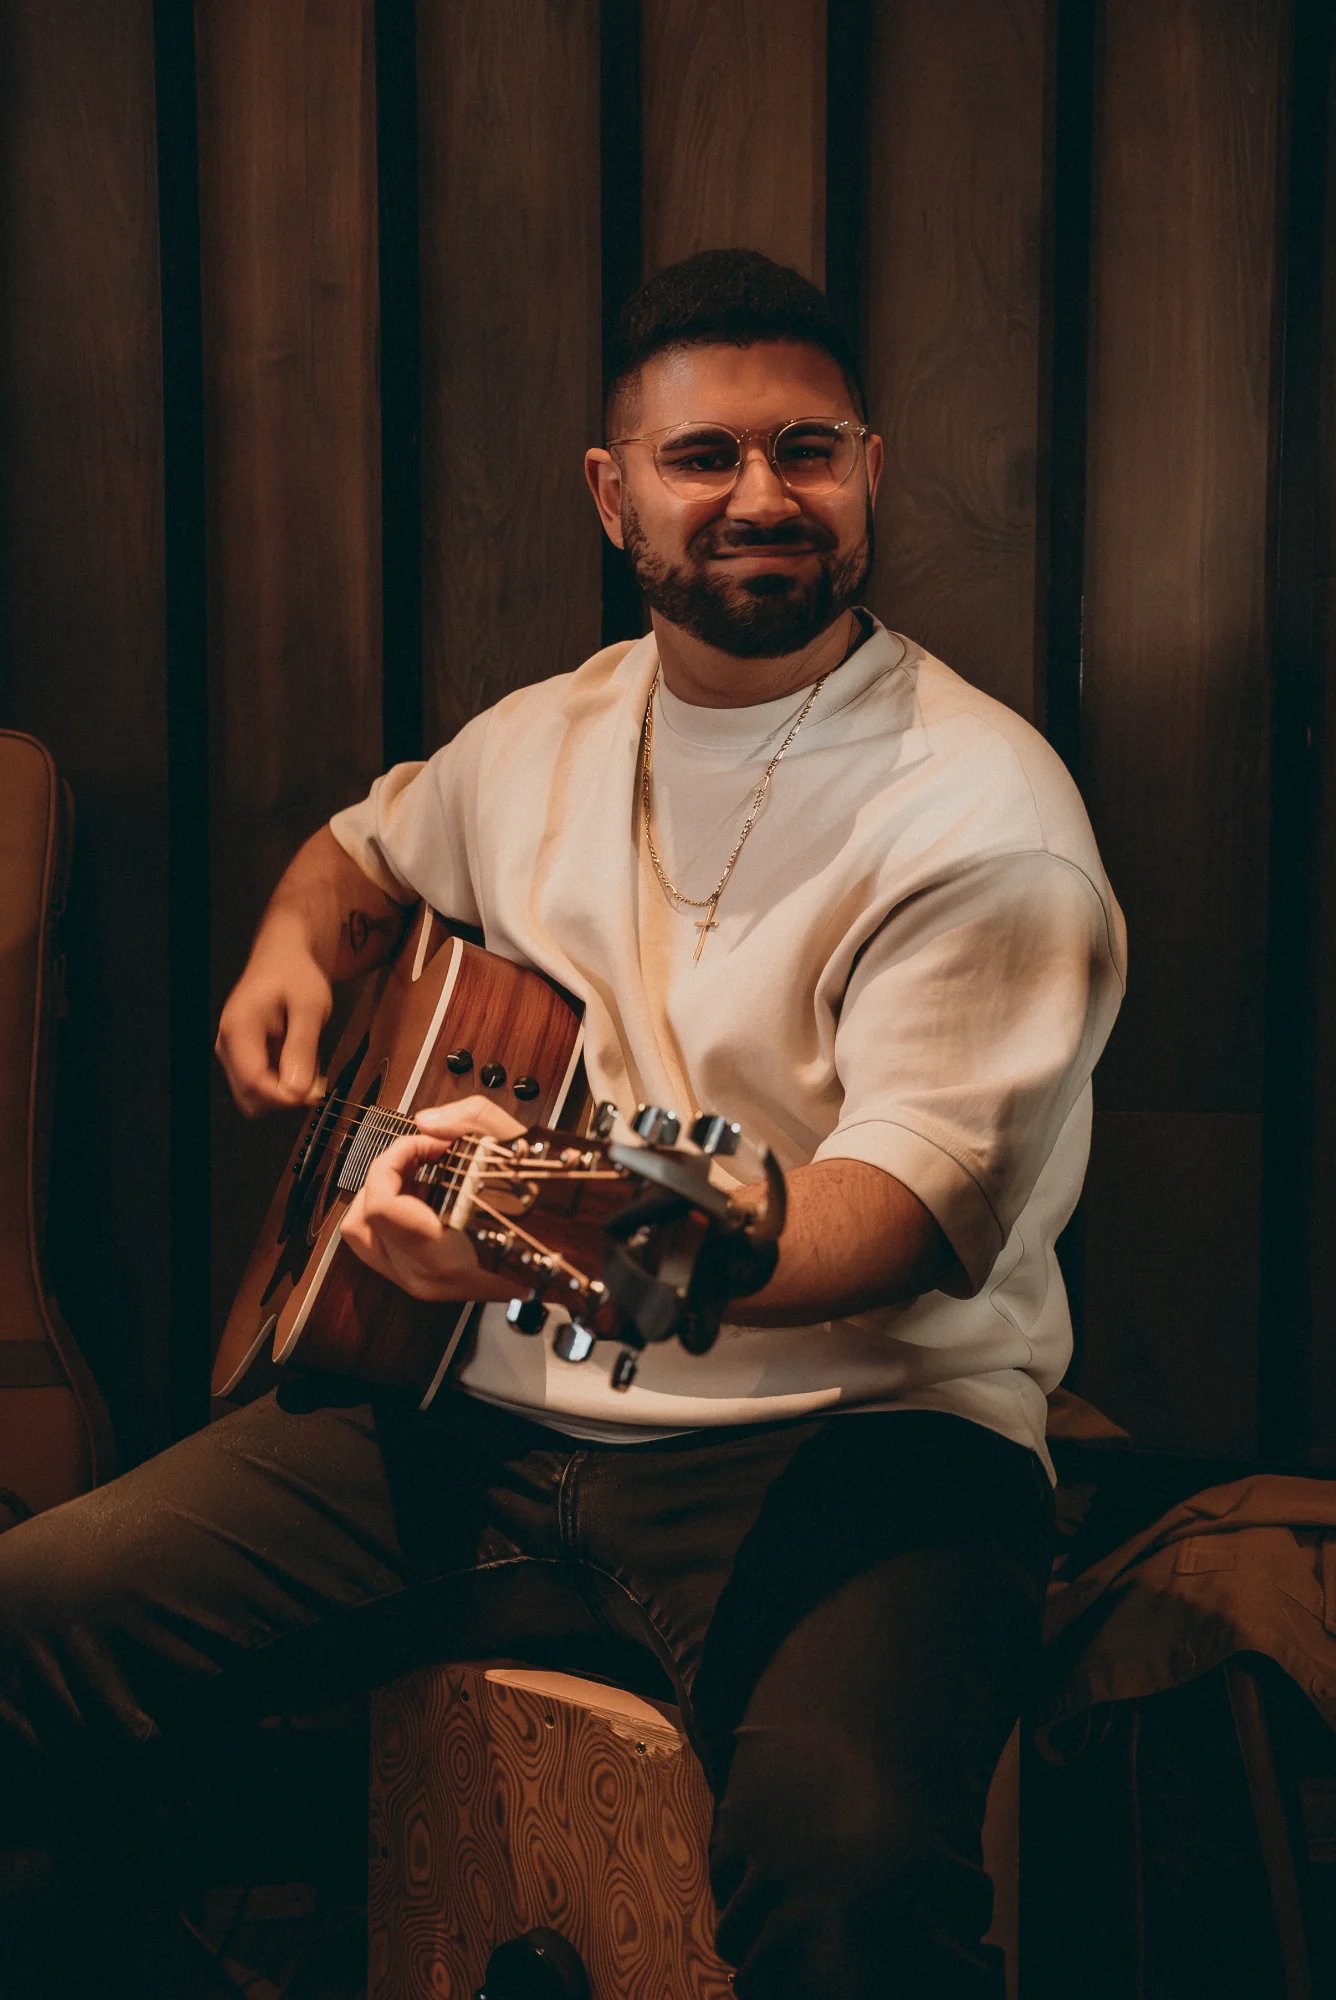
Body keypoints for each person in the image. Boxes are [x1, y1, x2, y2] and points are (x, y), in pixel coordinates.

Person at [0, 248, 1125, 1998]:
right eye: (706, 459)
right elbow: (360, 856)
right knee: (29, 1630)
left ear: (872, 472)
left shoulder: (988, 813)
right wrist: (293, 956)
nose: (764, 495)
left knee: (848, 1864)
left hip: (859, 1439)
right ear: (614, 497)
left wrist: (568, 1236)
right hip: (480, 1418)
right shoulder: (545, 734)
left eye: (808, 450)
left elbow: (884, 1224)